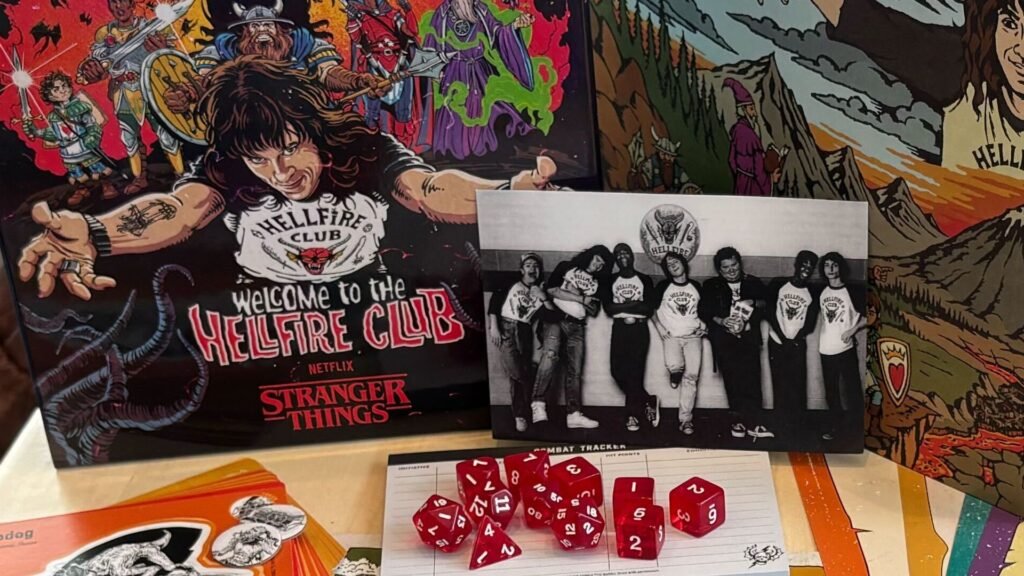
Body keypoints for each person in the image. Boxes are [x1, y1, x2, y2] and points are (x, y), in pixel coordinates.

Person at [16, 57, 562, 299]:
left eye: (289, 149)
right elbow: (177, 212)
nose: (280, 174)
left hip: (387, 318)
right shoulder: (229, 163)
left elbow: (429, 189)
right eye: (260, 160)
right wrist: (97, 232)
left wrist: (506, 195)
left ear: (313, 130)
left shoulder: (361, 146)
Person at [808, 0, 1024, 175]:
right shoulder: (964, 70)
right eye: (1010, 24)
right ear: (990, 26)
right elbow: (874, 28)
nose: (1021, 50)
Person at [166, 2, 377, 113]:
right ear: (244, 31)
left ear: (279, 29)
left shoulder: (302, 43)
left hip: (305, 119)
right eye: (255, 26)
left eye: (267, 25)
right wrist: (186, 93)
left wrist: (357, 81)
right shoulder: (225, 49)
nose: (262, 30)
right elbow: (205, 79)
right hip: (249, 126)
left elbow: (328, 73)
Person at [77, 0, 185, 194]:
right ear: (110, 6)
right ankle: (139, 178)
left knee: (166, 134)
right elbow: (98, 67)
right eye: (114, 2)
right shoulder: (104, 34)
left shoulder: (150, 27)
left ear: (132, 4)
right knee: (129, 138)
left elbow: (171, 57)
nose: (119, 7)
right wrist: (91, 69)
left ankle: (181, 174)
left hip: (150, 88)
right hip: (123, 92)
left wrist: (161, 50)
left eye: (123, 1)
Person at [422, 0, 536, 159]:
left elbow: (498, 33)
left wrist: (515, 25)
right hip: (454, 74)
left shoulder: (480, 9)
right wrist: (436, 72)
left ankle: (486, 145)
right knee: (456, 112)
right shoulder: (442, 13)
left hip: (480, 71)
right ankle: (458, 148)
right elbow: (430, 47)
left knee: (487, 106)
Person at [530, 245, 612, 430]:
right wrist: (581, 298)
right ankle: (538, 404)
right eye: (597, 259)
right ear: (590, 255)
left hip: (577, 325)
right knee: (550, 357)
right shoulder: (566, 266)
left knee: (575, 369)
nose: (598, 265)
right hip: (556, 318)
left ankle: (573, 414)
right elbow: (552, 290)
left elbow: (594, 309)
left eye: (602, 264)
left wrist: (573, 292)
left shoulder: (598, 282)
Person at [699, 246, 771, 439]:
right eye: (726, 267)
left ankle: (754, 423)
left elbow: (768, 304)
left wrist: (752, 302)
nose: (731, 270)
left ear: (740, 263)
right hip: (725, 340)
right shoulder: (711, 285)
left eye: (734, 265)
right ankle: (737, 422)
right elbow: (703, 311)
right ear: (719, 269)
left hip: (748, 339)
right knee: (733, 382)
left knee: (752, 381)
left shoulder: (753, 282)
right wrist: (721, 320)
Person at [20, 71, 117, 207]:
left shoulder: (80, 107)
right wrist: (34, 131)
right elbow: (54, 134)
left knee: (97, 168)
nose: (62, 90)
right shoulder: (53, 116)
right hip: (68, 151)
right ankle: (82, 190)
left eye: (64, 86)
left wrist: (92, 136)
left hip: (84, 145)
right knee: (76, 173)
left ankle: (106, 185)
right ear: (49, 95)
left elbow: (91, 124)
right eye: (56, 89)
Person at [347, 0, 423, 149]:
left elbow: (411, 32)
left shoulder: (393, 14)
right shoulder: (360, 15)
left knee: (403, 111)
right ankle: (370, 146)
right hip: (375, 64)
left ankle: (403, 147)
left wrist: (408, 12)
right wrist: (352, 19)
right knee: (371, 113)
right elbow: (356, 38)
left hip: (399, 63)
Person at [488, 252, 549, 433]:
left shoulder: (539, 291)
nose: (532, 269)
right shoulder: (512, 284)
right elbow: (495, 302)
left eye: (536, 266)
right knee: (517, 372)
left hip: (524, 331)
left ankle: (520, 415)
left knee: (520, 373)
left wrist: (543, 297)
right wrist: (494, 327)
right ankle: (534, 402)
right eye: (528, 265)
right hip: (506, 327)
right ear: (522, 270)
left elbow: (550, 315)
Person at [600, 243, 658, 432]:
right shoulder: (611, 280)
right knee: (616, 371)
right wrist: (635, 304)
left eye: (625, 252)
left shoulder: (644, 279)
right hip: (619, 329)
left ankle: (632, 416)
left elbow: (647, 308)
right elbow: (609, 309)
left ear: (632, 256)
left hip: (639, 330)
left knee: (635, 373)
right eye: (618, 253)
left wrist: (622, 306)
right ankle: (648, 400)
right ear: (615, 259)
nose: (622, 255)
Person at [651, 252, 706, 435]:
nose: (673, 264)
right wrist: (659, 327)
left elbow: (704, 311)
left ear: (683, 263)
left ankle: (685, 420)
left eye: (675, 261)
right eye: (668, 264)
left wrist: (705, 327)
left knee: (691, 377)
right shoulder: (663, 286)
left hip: (693, 337)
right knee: (674, 365)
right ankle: (675, 374)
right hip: (672, 336)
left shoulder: (696, 286)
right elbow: (651, 309)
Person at [817, 251, 866, 440]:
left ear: (841, 268)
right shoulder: (823, 292)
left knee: (852, 391)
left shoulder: (852, 290)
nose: (830, 268)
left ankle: (857, 430)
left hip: (845, 349)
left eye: (834, 265)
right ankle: (835, 428)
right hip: (825, 348)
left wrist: (852, 330)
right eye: (826, 265)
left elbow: (872, 315)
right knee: (831, 393)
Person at [766, 251, 819, 427]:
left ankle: (797, 425)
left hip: (797, 344)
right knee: (780, 383)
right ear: (796, 264)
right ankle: (780, 424)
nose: (806, 269)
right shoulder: (779, 284)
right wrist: (783, 338)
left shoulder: (812, 291)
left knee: (797, 384)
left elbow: (810, 324)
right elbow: (770, 313)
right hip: (777, 341)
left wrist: (794, 339)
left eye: (811, 267)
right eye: (804, 264)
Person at [723, 78, 786, 196]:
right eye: (751, 109)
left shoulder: (736, 131)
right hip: (752, 186)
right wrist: (771, 180)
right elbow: (759, 170)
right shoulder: (751, 137)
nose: (755, 114)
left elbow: (731, 160)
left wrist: (741, 174)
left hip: (740, 183)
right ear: (743, 110)